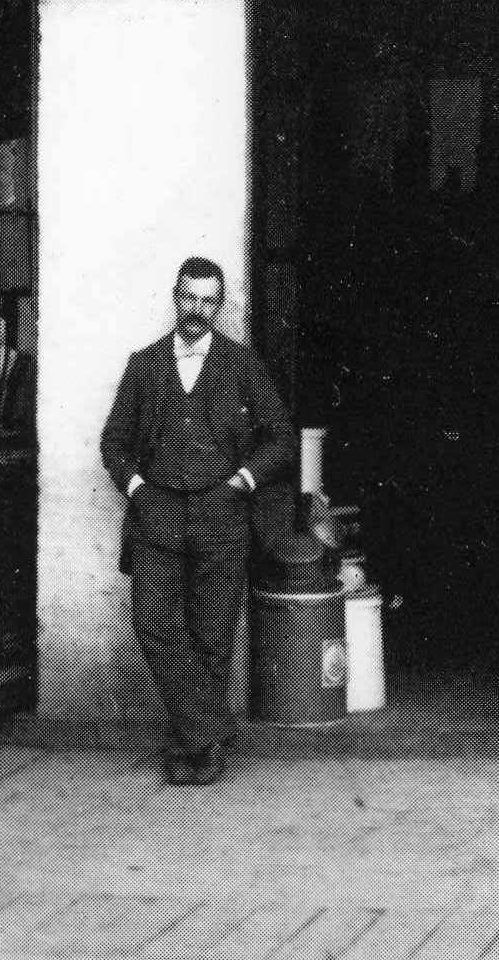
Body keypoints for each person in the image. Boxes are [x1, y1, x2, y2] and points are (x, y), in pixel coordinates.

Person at [100, 256, 292, 786]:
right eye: (190, 298)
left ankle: (196, 751)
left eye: (210, 302)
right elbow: (112, 441)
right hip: (157, 515)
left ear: (220, 305)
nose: (198, 311)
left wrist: (244, 480)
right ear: (175, 298)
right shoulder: (144, 365)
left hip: (220, 513)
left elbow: (281, 436)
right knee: (154, 620)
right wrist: (137, 490)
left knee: (212, 632)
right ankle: (210, 731)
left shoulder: (241, 365)